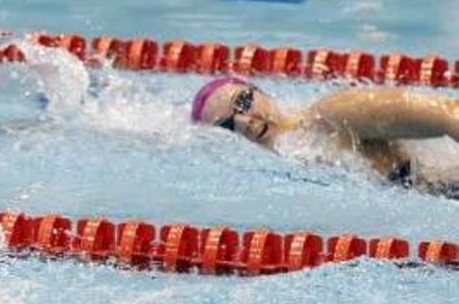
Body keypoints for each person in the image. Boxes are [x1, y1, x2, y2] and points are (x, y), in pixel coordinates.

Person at [191, 76, 459, 191]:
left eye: (243, 102)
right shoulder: (282, 169)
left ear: (259, 90)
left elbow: (449, 114)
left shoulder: (333, 115)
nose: (244, 121)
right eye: (226, 125)